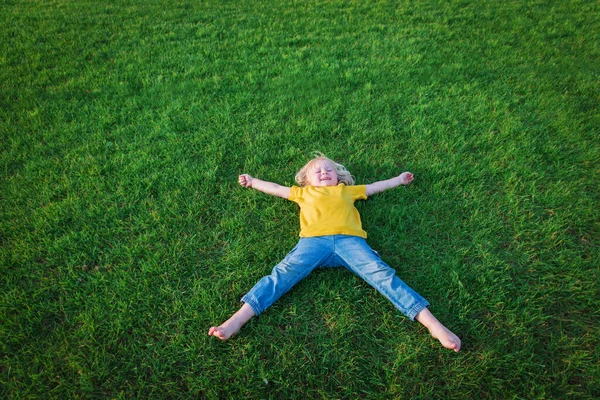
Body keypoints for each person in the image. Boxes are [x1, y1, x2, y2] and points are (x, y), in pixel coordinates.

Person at [208, 154, 461, 352]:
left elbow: (374, 187)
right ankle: (237, 320)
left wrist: (398, 179)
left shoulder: (346, 191)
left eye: (329, 170)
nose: (324, 173)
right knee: (281, 275)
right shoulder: (303, 193)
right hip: (312, 244)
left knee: (383, 275)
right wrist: (252, 182)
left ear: (338, 177)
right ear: (307, 180)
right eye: (317, 171)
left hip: (350, 243)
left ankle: (433, 324)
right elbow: (275, 187)